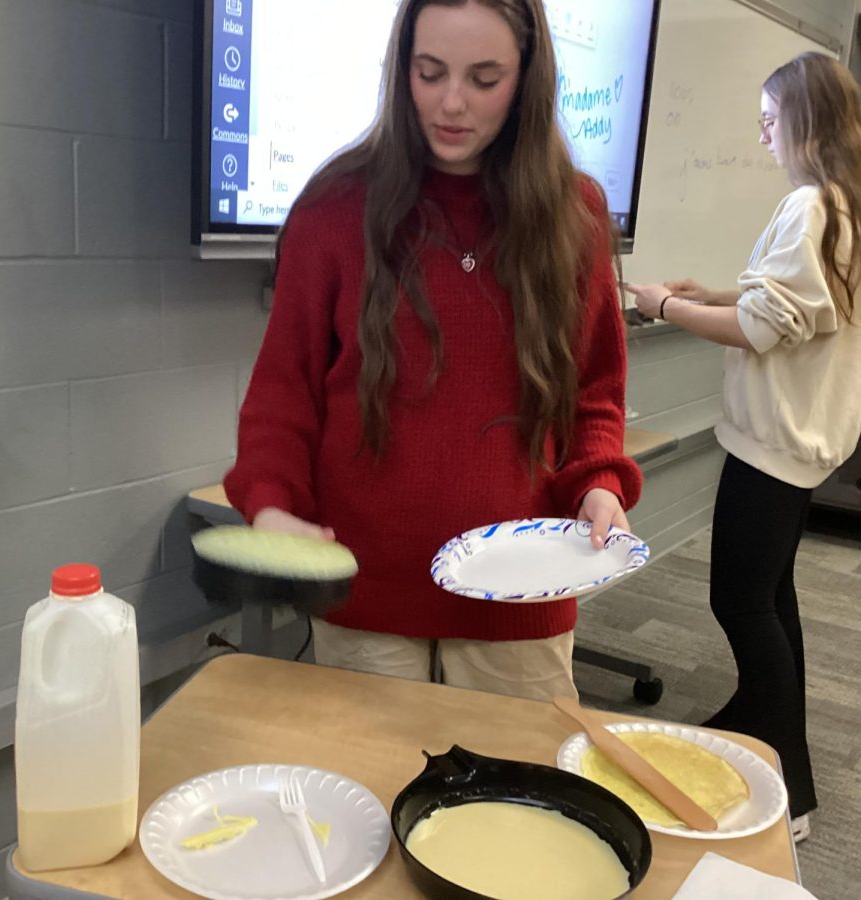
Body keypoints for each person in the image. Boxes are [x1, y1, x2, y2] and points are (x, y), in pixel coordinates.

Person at [223, 0, 641, 702]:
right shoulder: (334, 209)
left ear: (527, 78)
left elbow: (592, 394)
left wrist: (599, 484)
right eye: (429, 72)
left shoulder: (576, 215)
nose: (451, 103)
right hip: (369, 589)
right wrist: (270, 505)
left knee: (517, 799)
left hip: (521, 590)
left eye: (484, 79)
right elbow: (282, 394)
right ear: (401, 70)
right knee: (376, 796)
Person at [624, 52, 861, 841]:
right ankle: (771, 740)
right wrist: (713, 291)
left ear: (806, 122)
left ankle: (787, 790)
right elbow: (783, 305)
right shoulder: (845, 206)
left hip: (774, 447)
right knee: (773, 600)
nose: (763, 133)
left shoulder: (811, 206)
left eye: (771, 120)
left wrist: (667, 305)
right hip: (802, 444)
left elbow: (761, 328)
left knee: (738, 601)